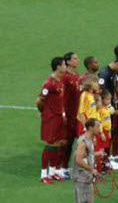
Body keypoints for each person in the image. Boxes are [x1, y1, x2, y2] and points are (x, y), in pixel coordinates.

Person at [36, 56, 67, 184]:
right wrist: (44, 112)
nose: (65, 67)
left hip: (59, 116)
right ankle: (44, 174)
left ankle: (53, 172)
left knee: (60, 143)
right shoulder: (49, 83)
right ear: (58, 66)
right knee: (50, 144)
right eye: (64, 64)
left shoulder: (60, 81)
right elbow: (39, 100)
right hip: (51, 117)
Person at [98, 56, 118, 161]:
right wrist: (106, 104)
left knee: (108, 130)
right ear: (117, 63)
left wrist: (116, 100)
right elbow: (101, 90)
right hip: (104, 108)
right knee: (103, 131)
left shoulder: (114, 73)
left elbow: (114, 87)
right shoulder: (104, 73)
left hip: (109, 105)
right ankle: (102, 159)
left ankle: (106, 158)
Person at [72, 118, 102, 203]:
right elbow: (78, 159)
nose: (99, 129)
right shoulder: (83, 142)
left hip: (87, 179)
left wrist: (97, 154)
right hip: (81, 179)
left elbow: (87, 155)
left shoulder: (89, 141)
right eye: (97, 126)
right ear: (90, 127)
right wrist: (91, 169)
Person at [61, 51, 81, 179]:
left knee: (72, 140)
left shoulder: (76, 75)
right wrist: (63, 113)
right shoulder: (65, 77)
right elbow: (62, 97)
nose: (77, 60)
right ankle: (61, 167)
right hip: (68, 113)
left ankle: (65, 166)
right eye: (74, 58)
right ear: (67, 61)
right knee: (66, 141)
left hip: (76, 113)